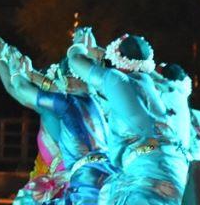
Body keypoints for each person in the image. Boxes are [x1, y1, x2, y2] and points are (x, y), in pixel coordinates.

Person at [0, 31, 111, 205]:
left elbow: (17, 90)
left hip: (71, 189)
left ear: (67, 82)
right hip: (103, 183)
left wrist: (1, 61)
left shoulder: (61, 106)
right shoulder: (102, 104)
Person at [67, 33, 189, 204]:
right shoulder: (160, 85)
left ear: (115, 59)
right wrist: (94, 50)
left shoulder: (117, 80)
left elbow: (77, 62)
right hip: (177, 166)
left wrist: (78, 46)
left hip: (147, 171)